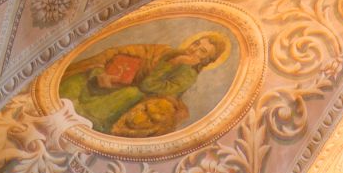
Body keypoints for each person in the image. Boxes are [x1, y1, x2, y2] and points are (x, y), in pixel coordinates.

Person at [59, 33, 228, 139]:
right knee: (79, 79)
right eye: (196, 44)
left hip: (131, 97)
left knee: (132, 93)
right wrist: (100, 72)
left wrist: (174, 63)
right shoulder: (164, 51)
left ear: (206, 60)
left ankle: (84, 118)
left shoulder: (187, 76)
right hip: (116, 83)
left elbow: (148, 86)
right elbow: (121, 52)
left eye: (202, 51)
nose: (194, 50)